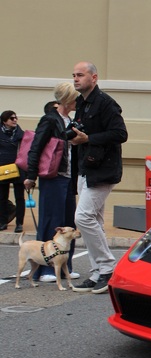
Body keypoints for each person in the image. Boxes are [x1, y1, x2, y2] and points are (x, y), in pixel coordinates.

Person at [69, 61, 128, 294]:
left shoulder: (105, 103)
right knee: (94, 221)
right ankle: (96, 273)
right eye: (73, 75)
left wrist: (88, 139)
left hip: (103, 171)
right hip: (86, 168)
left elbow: (120, 134)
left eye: (80, 75)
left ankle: (107, 267)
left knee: (82, 217)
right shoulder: (82, 103)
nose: (76, 79)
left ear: (94, 78)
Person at [23, 84, 81, 283]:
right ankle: (45, 269)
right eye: (75, 98)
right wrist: (31, 175)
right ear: (66, 99)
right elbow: (36, 147)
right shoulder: (50, 119)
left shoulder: (70, 120)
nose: (77, 101)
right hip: (53, 177)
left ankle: (66, 267)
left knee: (68, 222)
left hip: (67, 177)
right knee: (51, 220)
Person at [0, 110, 25, 232]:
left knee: (19, 197)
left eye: (15, 117)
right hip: (3, 168)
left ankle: (19, 223)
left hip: (18, 168)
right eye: (11, 118)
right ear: (4, 121)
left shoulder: (22, 134)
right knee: (2, 197)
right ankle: (3, 221)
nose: (15, 120)